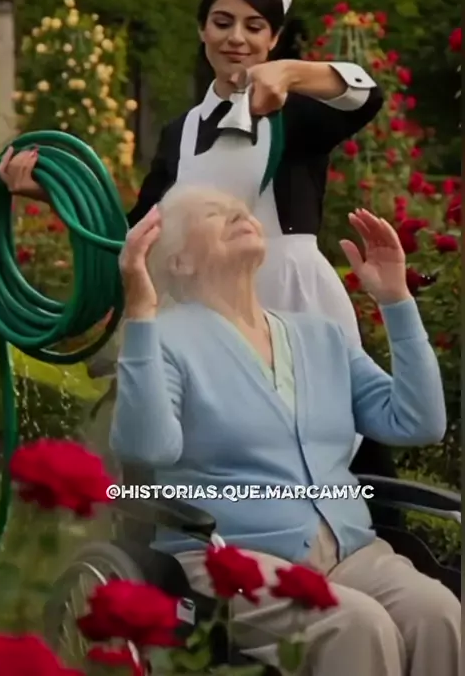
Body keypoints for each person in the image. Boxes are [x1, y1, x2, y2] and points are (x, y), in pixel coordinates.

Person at [0, 0, 390, 476]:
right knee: (230, 461)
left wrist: (291, 73)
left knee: (339, 450)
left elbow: (366, 96)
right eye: (222, 22)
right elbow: (139, 231)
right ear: (202, 29)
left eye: (255, 26)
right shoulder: (180, 132)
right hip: (213, 314)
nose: (237, 38)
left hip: (295, 299)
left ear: (274, 38)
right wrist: (51, 192)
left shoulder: (295, 112)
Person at [112, 186, 459, 676]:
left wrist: (396, 301)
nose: (238, 213)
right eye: (214, 213)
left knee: (438, 614)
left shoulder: (321, 335)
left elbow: (418, 422)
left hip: (349, 550)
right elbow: (147, 449)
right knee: (357, 625)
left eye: (241, 210)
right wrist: (140, 318)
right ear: (180, 262)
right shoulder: (163, 338)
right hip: (232, 558)